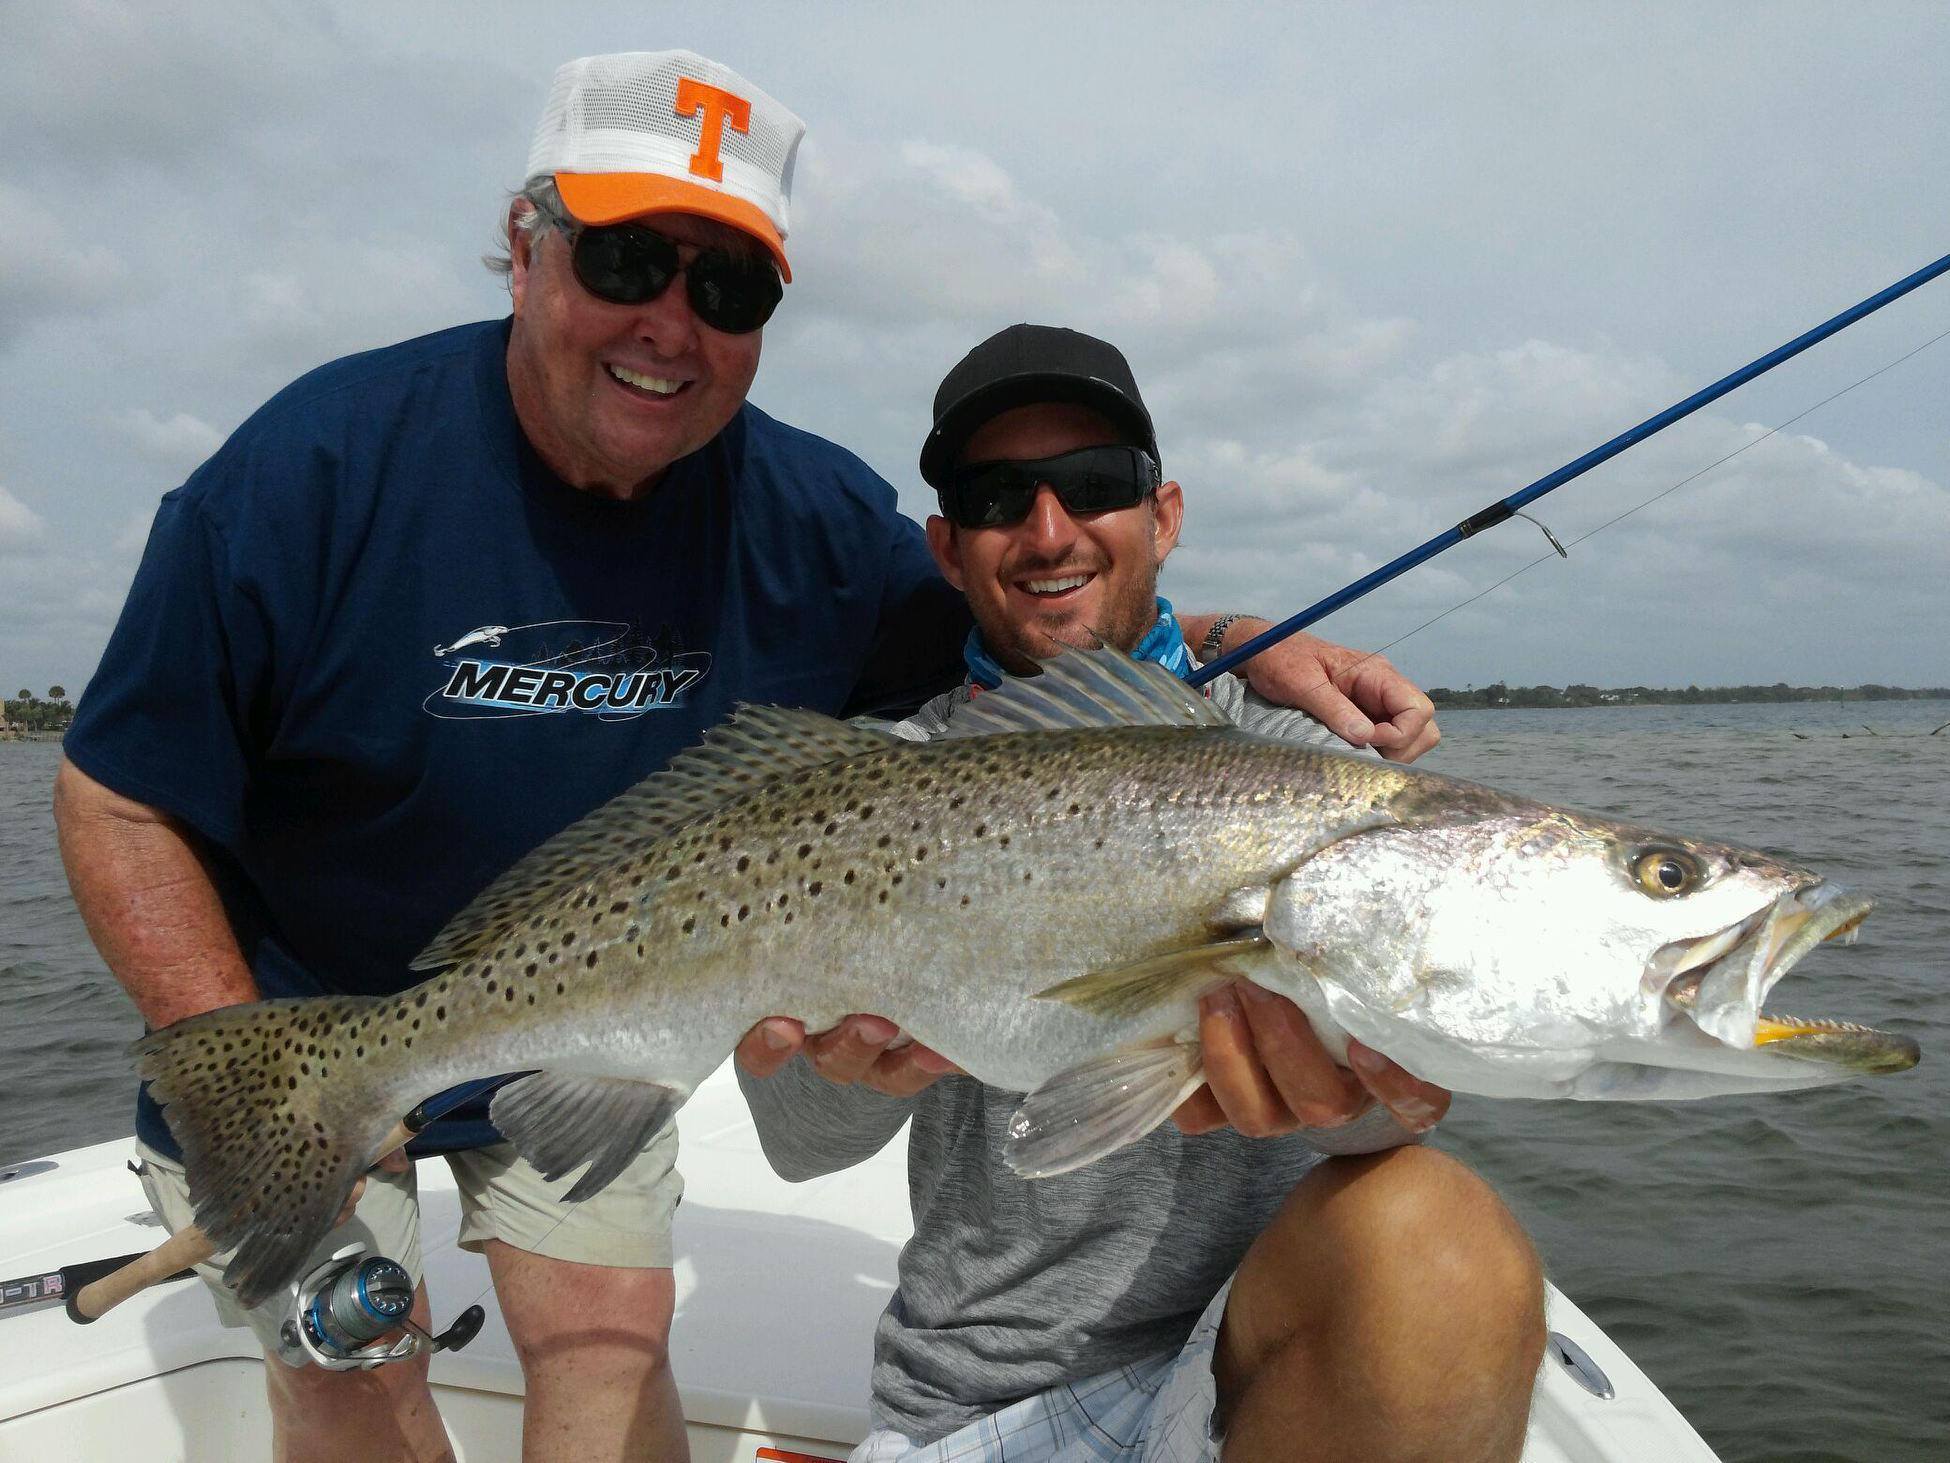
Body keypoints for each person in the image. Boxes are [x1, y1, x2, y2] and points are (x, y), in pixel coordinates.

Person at [54, 54, 1441, 1463]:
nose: (671, 322)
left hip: (606, 999)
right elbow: (115, 789)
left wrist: (1229, 637)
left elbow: (1040, 615)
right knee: (350, 1365)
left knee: (607, 1334)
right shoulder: (306, 473)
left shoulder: (811, 517)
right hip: (298, 1013)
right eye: (627, 257)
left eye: (727, 288)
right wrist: (265, 1067)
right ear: (525, 250)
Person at [736, 326, 1545, 1463]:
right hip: (980, 1396)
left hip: (1269, 1367)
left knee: (1445, 1234)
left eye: (1095, 484)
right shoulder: (870, 786)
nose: (1050, 528)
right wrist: (849, 1066)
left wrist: (1355, 1088)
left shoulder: (1310, 764)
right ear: (946, 547)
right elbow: (794, 1141)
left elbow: (1399, 1111)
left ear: (1162, 516)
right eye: (997, 495)